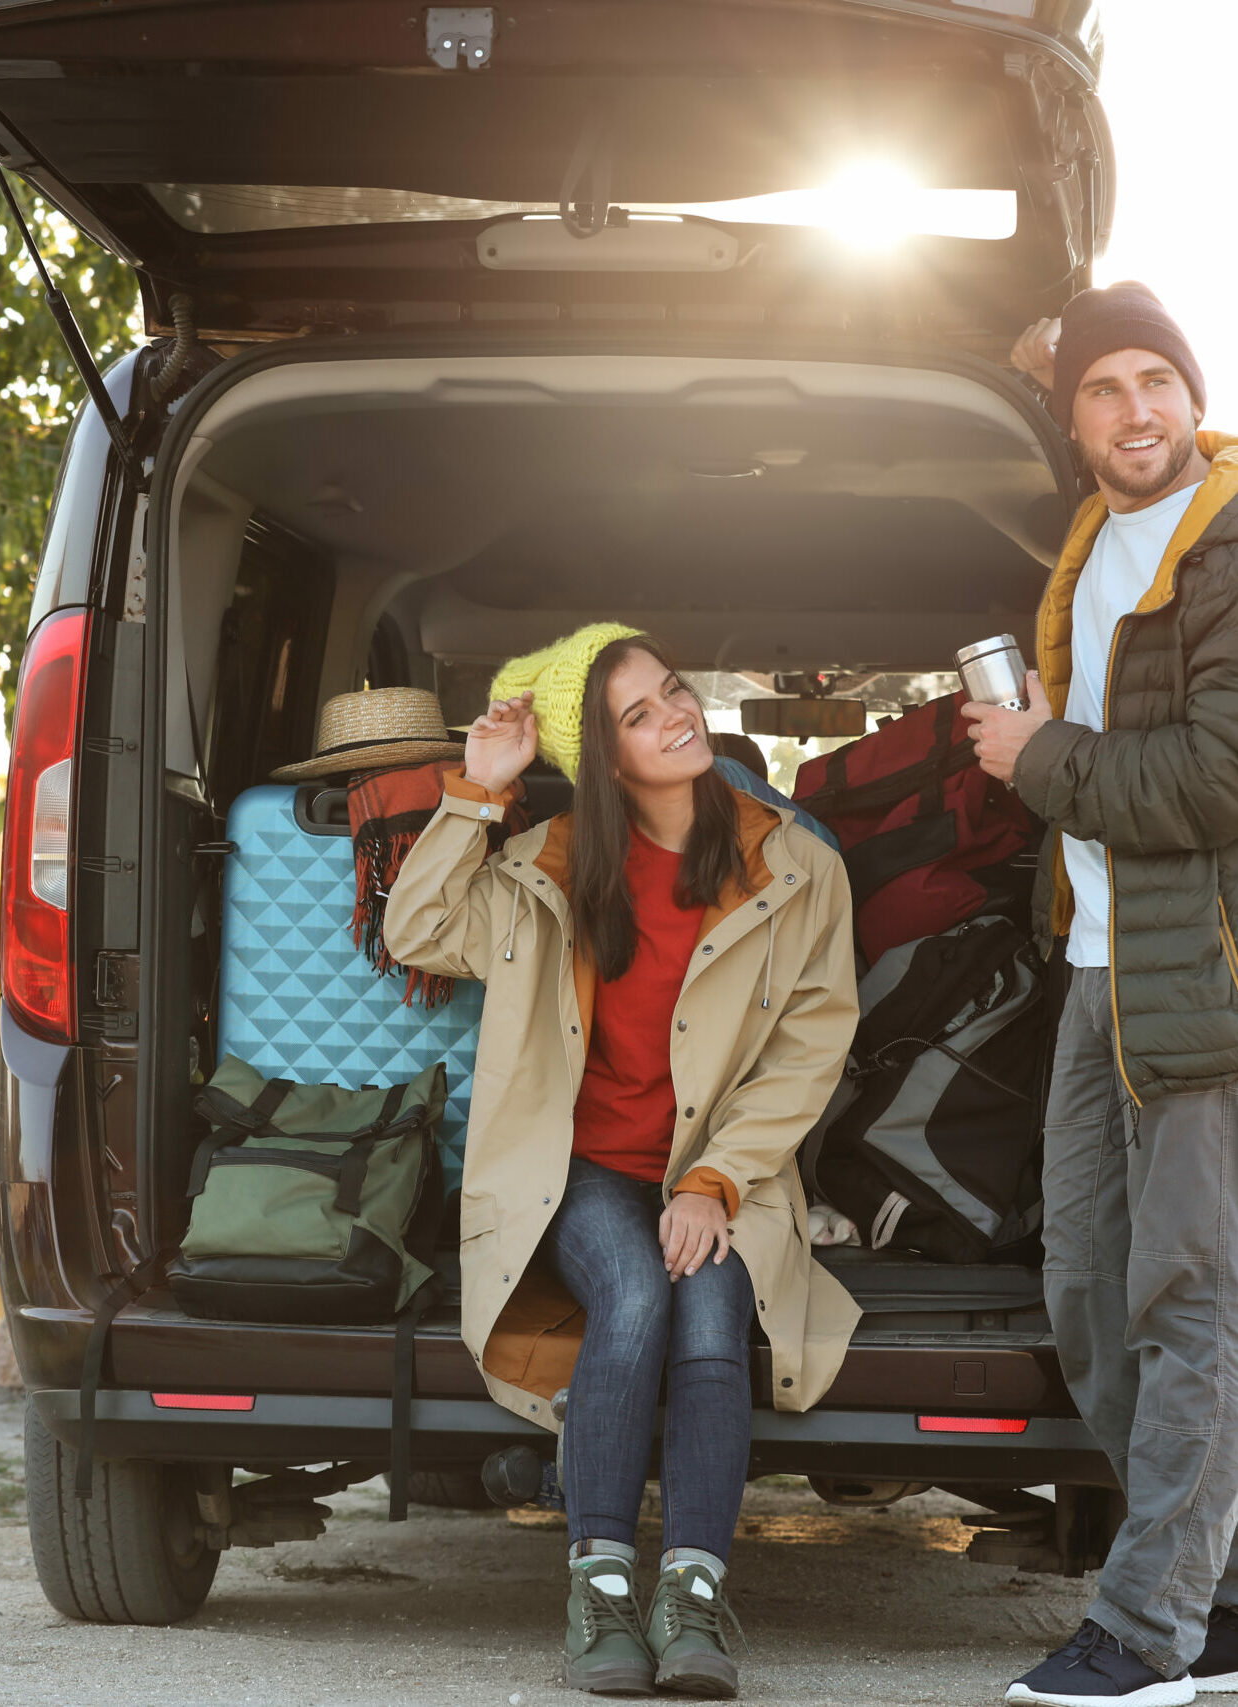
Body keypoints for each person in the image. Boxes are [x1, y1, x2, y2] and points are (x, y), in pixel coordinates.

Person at [384, 623, 860, 1698]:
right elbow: (416, 930)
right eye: (636, 717)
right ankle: (599, 1585)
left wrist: (714, 1178)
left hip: (729, 1167)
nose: (674, 718)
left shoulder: (796, 864)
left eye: (673, 692)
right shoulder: (544, 867)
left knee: (706, 1304)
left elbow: (811, 1045)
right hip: (581, 1168)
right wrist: (479, 789)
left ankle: (692, 1594)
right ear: (601, 759)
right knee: (636, 1291)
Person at [965, 282, 1238, 1707]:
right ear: (1068, 420)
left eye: (1155, 379)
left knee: (1186, 1298)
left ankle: (1142, 1629)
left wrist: (1036, 757)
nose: (1136, 409)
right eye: (1100, 389)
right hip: (1092, 966)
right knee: (1080, 1286)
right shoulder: (1088, 547)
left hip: (1196, 973)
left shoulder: (1228, 544)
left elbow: (1213, 781)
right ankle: (1219, 1591)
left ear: (1191, 392)